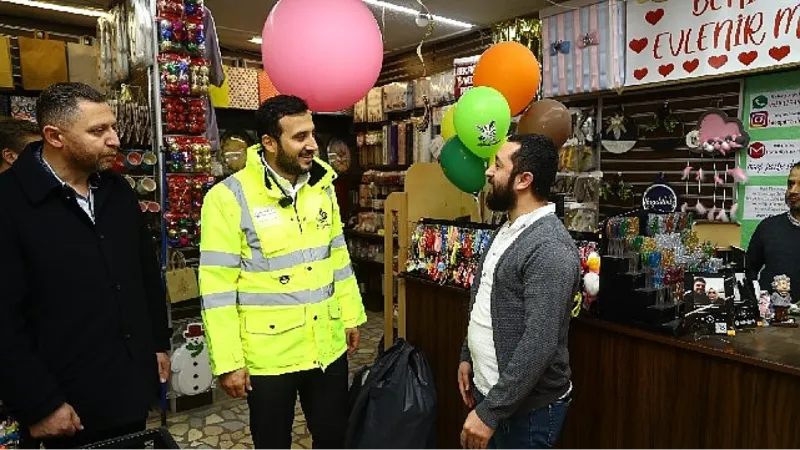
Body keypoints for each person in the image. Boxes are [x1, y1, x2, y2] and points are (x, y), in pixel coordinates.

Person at [0, 83, 171, 450]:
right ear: (54, 136)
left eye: (112, 127)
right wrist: (39, 404)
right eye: (98, 131)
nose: (114, 140)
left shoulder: (116, 190)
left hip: (127, 387)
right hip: (63, 402)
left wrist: (157, 343)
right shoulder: (10, 203)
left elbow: (144, 274)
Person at [199, 94, 366, 450]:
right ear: (269, 143)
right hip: (268, 355)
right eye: (300, 137)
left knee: (334, 437)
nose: (312, 145)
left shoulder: (322, 187)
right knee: (272, 442)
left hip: (326, 342)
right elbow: (216, 287)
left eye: (312, 134)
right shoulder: (228, 197)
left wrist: (350, 316)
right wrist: (228, 361)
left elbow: (336, 256)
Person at [457, 134, 581, 450]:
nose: (488, 172)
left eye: (498, 165)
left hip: (527, 411)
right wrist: (467, 356)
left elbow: (539, 342)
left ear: (523, 180)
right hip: (495, 395)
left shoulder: (549, 247)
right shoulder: (509, 227)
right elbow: (485, 297)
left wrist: (490, 412)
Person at [746, 162, 800, 303]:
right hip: (771, 319)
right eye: (790, 184)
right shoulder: (768, 227)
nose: (793, 190)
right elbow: (748, 270)